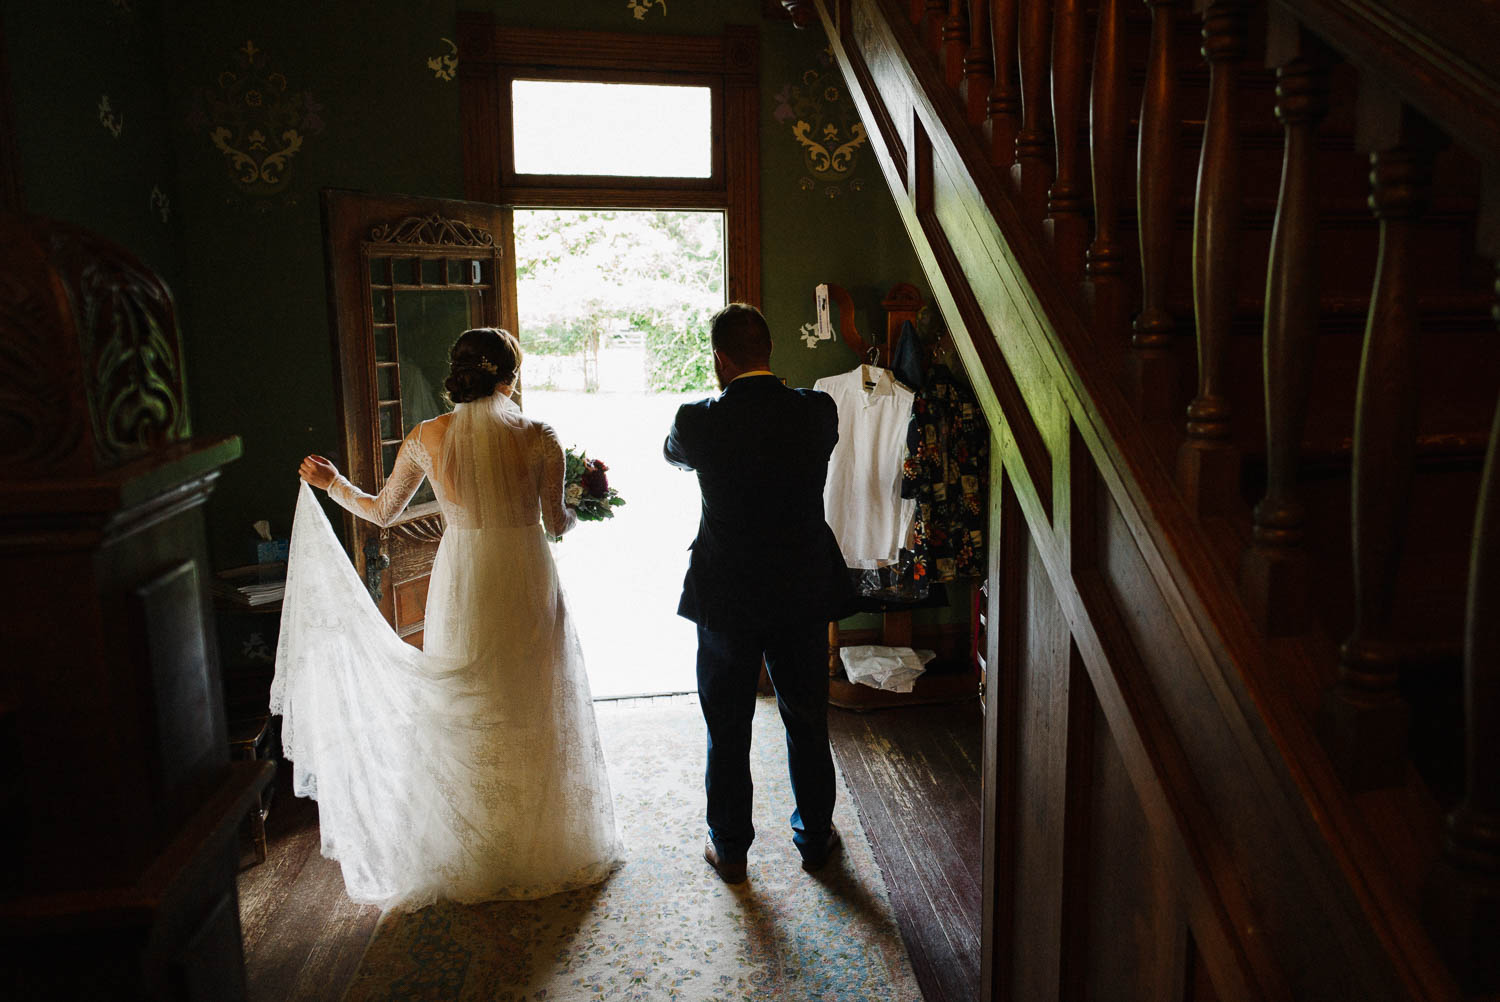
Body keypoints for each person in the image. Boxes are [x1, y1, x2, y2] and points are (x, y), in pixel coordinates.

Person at [273, 327, 623, 911]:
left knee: (468, 695)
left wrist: (333, 484)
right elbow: (556, 524)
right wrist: (580, 504)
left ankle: (474, 842)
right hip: (525, 572)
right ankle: (545, 836)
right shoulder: (540, 436)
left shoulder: (424, 437)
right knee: (532, 692)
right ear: (511, 373)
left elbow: (383, 513)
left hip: (463, 576)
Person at [663, 303, 851, 884]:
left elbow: (674, 456)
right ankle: (815, 841)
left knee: (728, 726)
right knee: (807, 719)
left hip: (726, 595)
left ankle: (731, 848)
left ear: (720, 359)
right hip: (800, 590)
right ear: (770, 350)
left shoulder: (696, 420)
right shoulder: (817, 411)